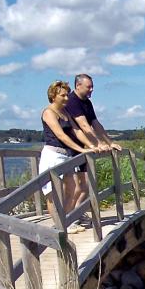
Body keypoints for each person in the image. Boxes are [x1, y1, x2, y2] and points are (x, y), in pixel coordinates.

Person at [39, 80, 96, 228]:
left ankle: (67, 221)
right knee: (53, 193)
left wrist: (90, 145)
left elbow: (76, 131)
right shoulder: (48, 112)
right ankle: (59, 225)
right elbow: (61, 135)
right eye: (63, 95)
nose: (66, 98)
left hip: (66, 155)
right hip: (53, 155)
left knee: (72, 188)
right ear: (53, 96)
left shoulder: (64, 112)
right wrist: (81, 150)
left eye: (67, 95)